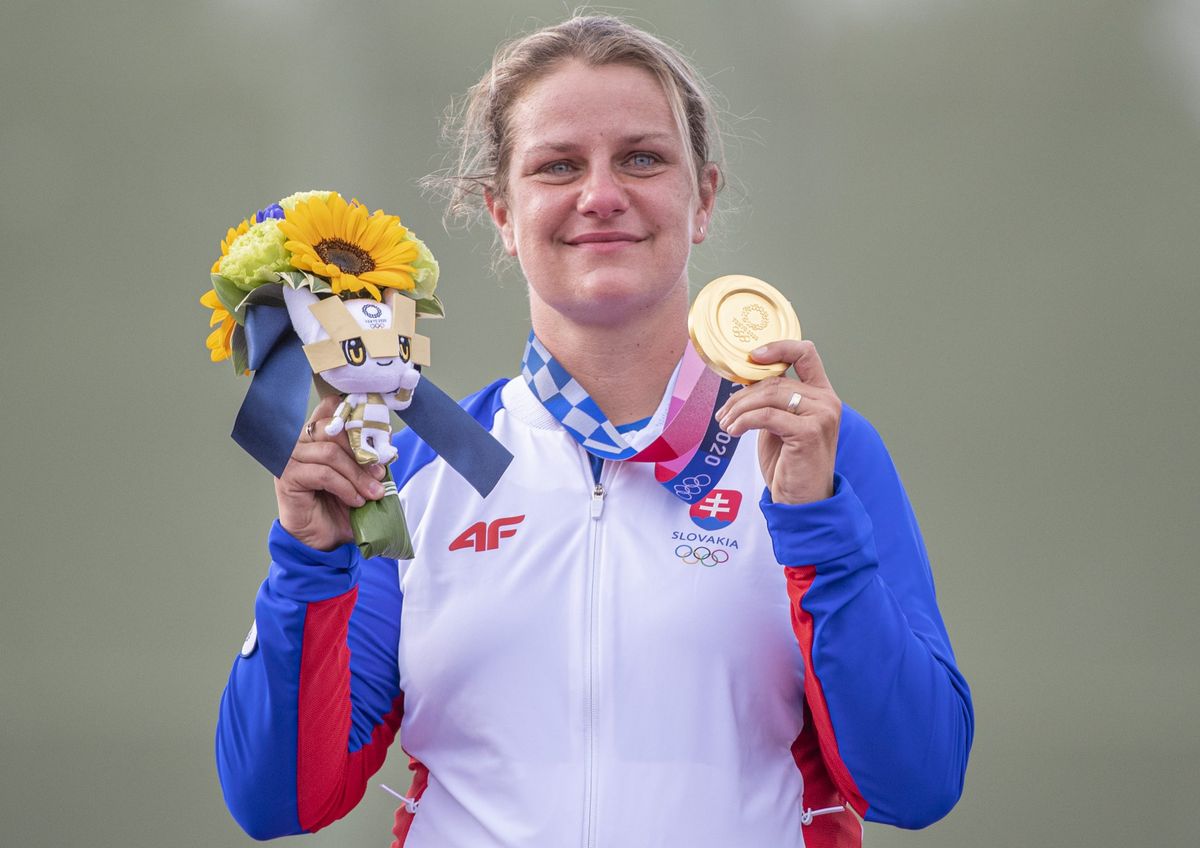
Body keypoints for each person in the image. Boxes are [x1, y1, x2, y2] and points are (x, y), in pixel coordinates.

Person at [216, 14, 973, 848]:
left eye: (642, 159)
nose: (601, 195)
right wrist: (306, 563)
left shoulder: (810, 450)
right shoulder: (414, 468)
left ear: (704, 198)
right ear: (503, 214)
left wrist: (815, 523)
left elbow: (917, 780)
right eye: (558, 166)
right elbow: (276, 800)